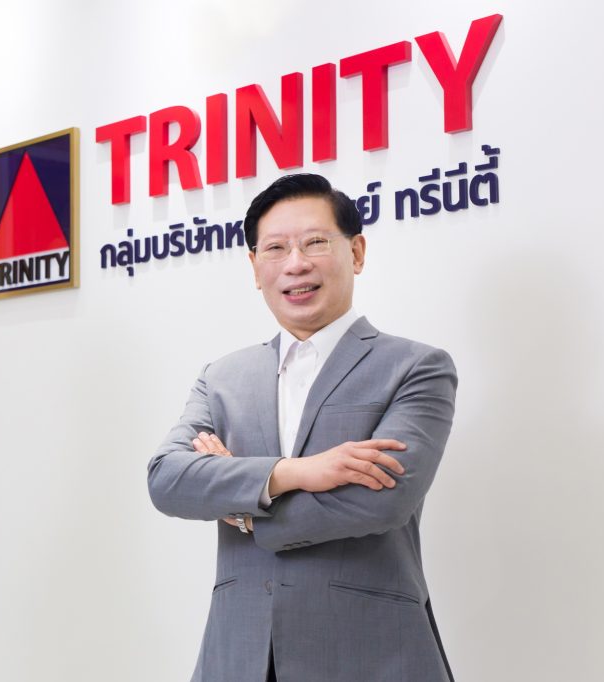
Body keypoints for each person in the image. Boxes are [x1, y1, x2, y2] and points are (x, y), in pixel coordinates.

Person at [147, 174, 457, 682]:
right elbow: (167, 480)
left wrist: (244, 511)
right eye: (275, 248)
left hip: (371, 655)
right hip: (238, 657)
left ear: (356, 252)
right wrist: (294, 473)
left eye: (315, 242)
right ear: (255, 267)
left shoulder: (416, 367)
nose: (296, 263)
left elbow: (383, 499)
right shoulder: (222, 377)